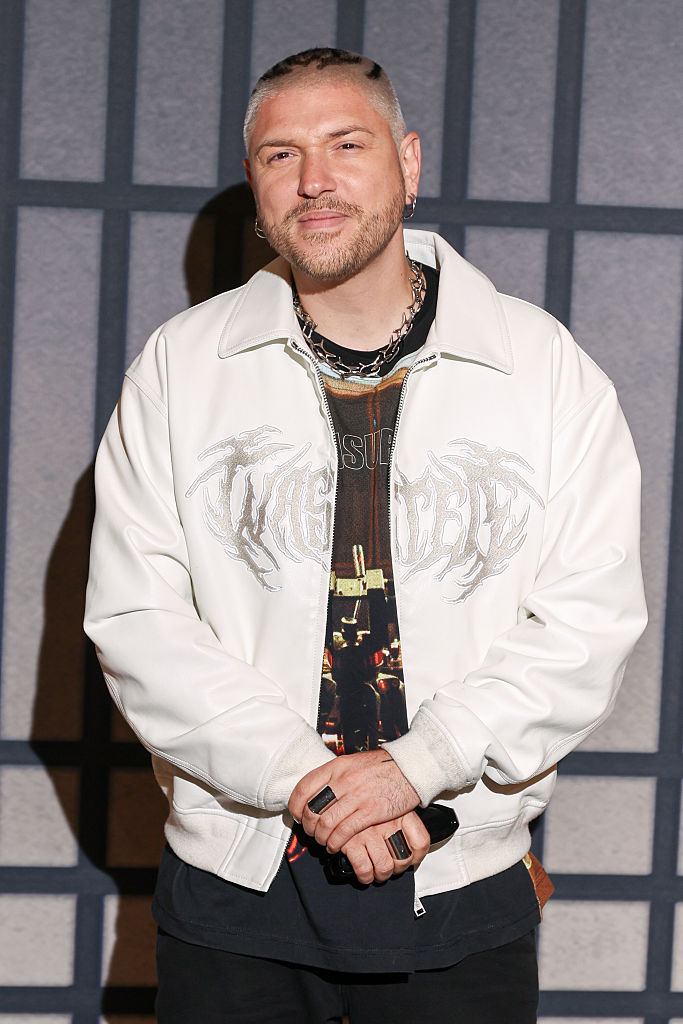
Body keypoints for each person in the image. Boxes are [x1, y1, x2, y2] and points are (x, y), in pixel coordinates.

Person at [84, 47, 647, 1023]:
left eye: (346, 145)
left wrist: (412, 769)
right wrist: (307, 782)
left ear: (407, 162)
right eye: (281, 155)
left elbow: (585, 625)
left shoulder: (543, 368)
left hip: (458, 866)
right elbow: (138, 620)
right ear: (255, 180)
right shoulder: (182, 367)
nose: (314, 180)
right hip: (236, 876)